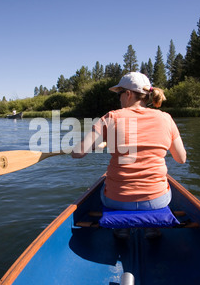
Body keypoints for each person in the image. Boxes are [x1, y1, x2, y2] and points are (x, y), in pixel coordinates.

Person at [71, 72, 186, 238]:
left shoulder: (110, 117)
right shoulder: (166, 119)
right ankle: (151, 228)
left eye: (119, 94)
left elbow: (78, 153)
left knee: (104, 187)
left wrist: (88, 145)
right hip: (156, 200)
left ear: (128, 94)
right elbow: (181, 159)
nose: (119, 99)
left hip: (117, 200)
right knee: (162, 188)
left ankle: (121, 229)